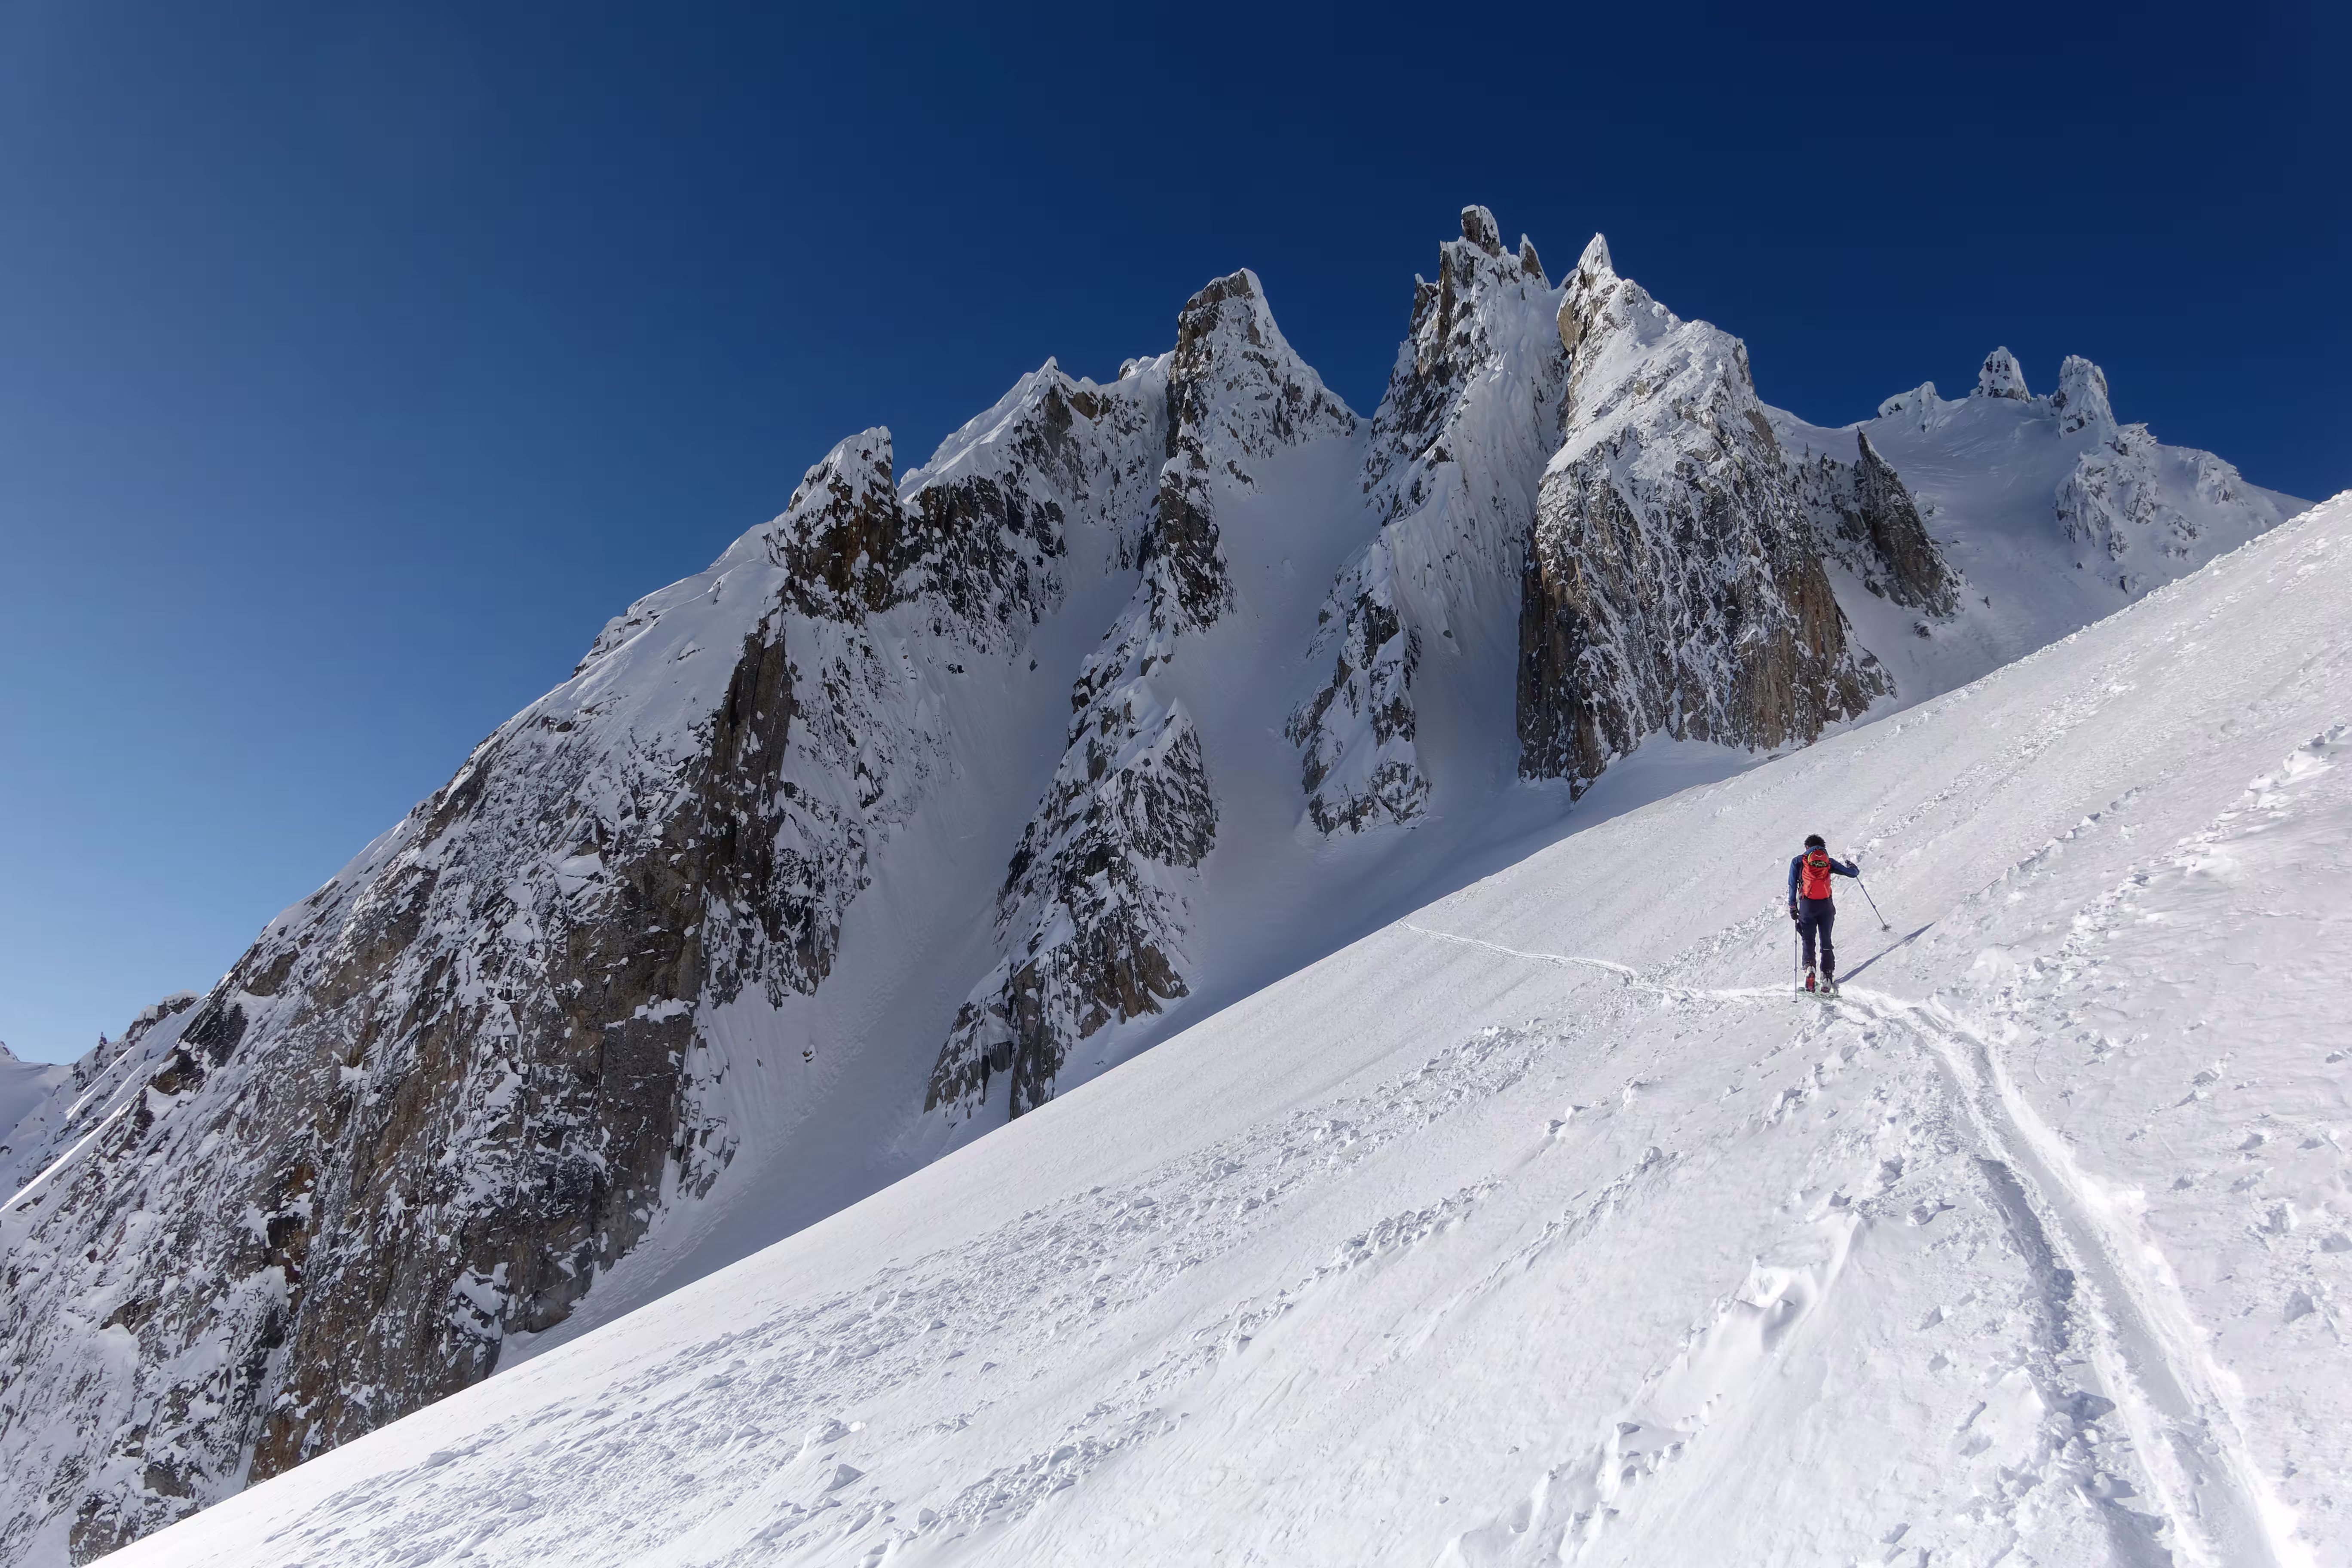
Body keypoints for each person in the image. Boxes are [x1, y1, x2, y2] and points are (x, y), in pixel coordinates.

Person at [1787, 833, 1859, 992]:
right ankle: (1827, 975)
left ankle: (1810, 968)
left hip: (1807, 905)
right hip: (1826, 906)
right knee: (1826, 940)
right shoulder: (1828, 861)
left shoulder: (1798, 861)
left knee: (1808, 939)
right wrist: (1853, 866)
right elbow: (1853, 874)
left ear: (1807, 847)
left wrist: (1793, 907)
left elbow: (1792, 886)